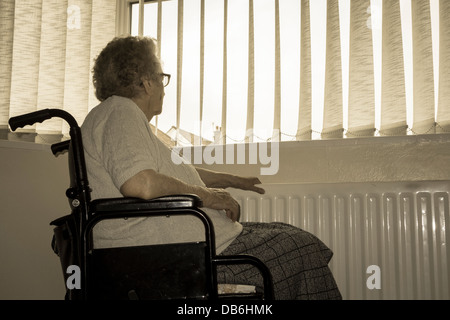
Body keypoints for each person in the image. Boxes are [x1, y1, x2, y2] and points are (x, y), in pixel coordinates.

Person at [81, 35, 342, 300]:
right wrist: (210, 197)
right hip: (177, 260)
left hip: (191, 249)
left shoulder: (124, 120)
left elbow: (174, 170)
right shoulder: (120, 112)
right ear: (147, 83)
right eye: (161, 78)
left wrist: (229, 180)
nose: (163, 87)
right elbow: (142, 184)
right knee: (302, 248)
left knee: (292, 235)